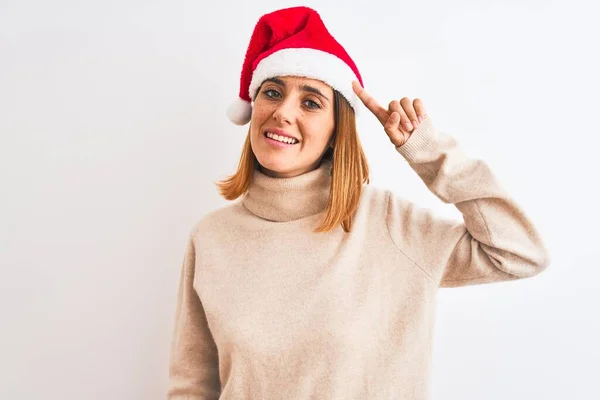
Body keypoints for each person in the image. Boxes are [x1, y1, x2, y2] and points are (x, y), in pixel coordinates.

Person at [166, 6, 550, 400]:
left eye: (311, 102)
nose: (283, 112)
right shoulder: (212, 238)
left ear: (337, 131)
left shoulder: (387, 224)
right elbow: (192, 385)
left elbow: (520, 252)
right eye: (272, 92)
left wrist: (430, 154)